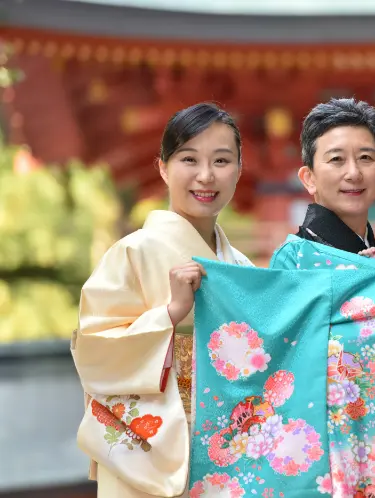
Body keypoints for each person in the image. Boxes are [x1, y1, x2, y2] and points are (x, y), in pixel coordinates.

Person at [71, 103, 253, 498]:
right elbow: (93, 350)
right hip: (152, 448)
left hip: (229, 444)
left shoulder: (241, 266)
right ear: (163, 168)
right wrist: (170, 314)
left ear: (239, 170)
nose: (206, 175)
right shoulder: (133, 252)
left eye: (222, 161)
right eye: (189, 159)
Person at [293, 97, 375, 254]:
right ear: (309, 179)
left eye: (365, 157)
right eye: (336, 159)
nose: (354, 174)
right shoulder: (293, 260)